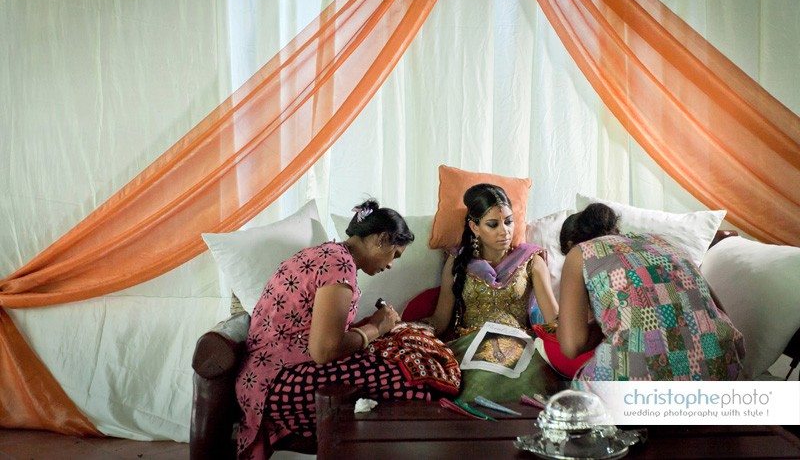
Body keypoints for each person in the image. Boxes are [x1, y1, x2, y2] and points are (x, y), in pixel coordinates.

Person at [235, 199, 452, 459]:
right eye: (395, 254)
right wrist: (377, 327)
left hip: (264, 376)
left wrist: (376, 329)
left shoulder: (328, 254)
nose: (392, 264)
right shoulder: (340, 265)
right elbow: (324, 350)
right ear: (382, 239)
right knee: (413, 378)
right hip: (275, 382)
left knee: (405, 347)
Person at [557, 202, 744, 381]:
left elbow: (572, 345)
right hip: (724, 363)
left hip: (643, 377)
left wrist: (604, 322)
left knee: (573, 403)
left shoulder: (579, 253)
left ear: (572, 243)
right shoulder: (661, 242)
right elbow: (717, 311)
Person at [421, 183, 563, 401]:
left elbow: (553, 318)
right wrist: (409, 330)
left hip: (519, 344)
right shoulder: (458, 262)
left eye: (508, 222)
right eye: (493, 224)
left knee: (530, 382)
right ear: (475, 227)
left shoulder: (531, 261)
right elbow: (440, 319)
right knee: (476, 382)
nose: (504, 231)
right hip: (470, 343)